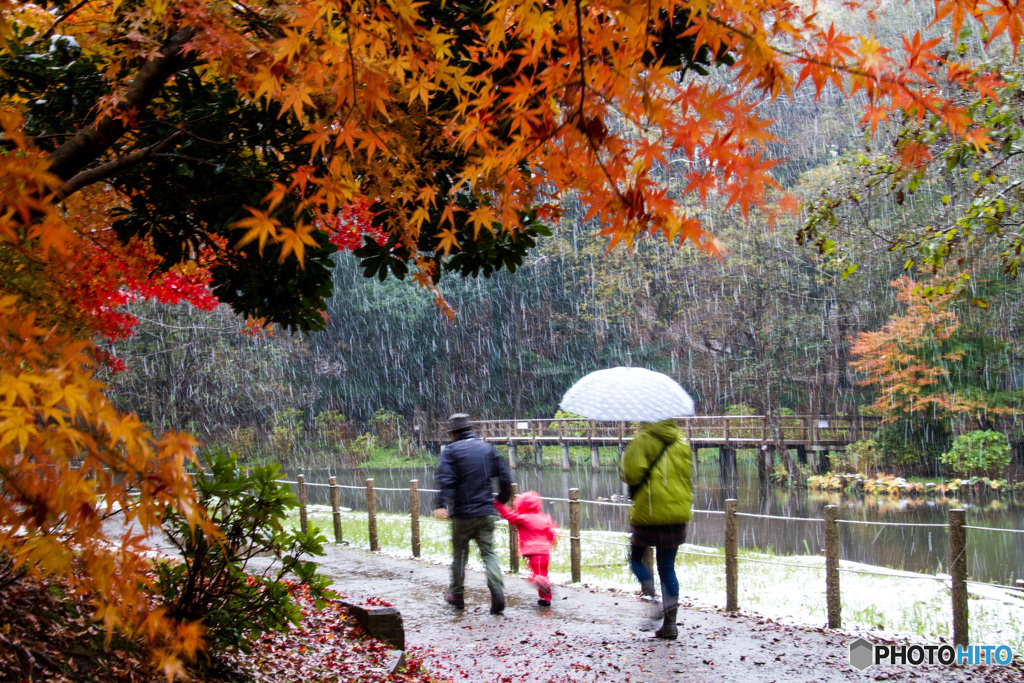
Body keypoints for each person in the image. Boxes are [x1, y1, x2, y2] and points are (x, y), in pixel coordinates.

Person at [619, 418, 692, 640]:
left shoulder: (642, 440)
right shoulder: (681, 443)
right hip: (677, 514)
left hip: (649, 512)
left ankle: (649, 589)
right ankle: (670, 624)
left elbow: (629, 474)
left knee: (635, 558)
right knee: (667, 567)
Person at [433, 413, 512, 614]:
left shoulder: (451, 451)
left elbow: (446, 479)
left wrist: (441, 503)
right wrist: (499, 501)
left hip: (462, 513)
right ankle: (497, 591)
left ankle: (457, 595)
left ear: (453, 433)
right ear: (470, 429)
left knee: (460, 554)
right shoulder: (487, 448)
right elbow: (505, 479)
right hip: (486, 512)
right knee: (488, 553)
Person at [494, 490, 558, 606]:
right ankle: (545, 598)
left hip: (532, 551)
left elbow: (508, 515)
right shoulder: (544, 518)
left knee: (536, 575)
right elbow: (551, 533)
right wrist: (550, 543)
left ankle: (542, 583)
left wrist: (498, 505)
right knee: (542, 572)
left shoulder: (522, 518)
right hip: (544, 552)